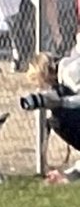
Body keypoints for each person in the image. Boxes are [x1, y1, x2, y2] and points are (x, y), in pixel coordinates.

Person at [22, 52, 80, 184]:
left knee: (58, 119)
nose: (44, 90)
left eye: (41, 84)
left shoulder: (69, 73)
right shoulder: (67, 70)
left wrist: (62, 102)